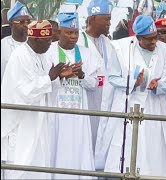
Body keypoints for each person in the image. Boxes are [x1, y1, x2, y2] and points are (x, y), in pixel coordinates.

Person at [102, 15, 166, 177]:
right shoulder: (122, 49)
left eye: (155, 37)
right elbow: (112, 77)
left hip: (155, 107)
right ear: (138, 38)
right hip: (129, 105)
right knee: (127, 150)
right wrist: (133, 83)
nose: (154, 42)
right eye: (149, 39)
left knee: (153, 151)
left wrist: (158, 86)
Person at [1, 20, 66, 179]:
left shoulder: (41, 56)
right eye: (47, 41)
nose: (50, 44)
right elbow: (23, 91)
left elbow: (48, 88)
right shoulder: (19, 56)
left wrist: (59, 77)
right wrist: (49, 78)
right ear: (35, 39)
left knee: (39, 166)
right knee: (21, 168)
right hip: (22, 124)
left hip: (39, 123)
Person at [46, 12, 101, 179]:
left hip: (79, 115)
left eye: (75, 32)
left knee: (80, 150)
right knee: (57, 149)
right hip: (57, 114)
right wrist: (61, 75)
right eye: (68, 32)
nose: (73, 36)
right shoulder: (49, 52)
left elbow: (95, 85)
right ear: (59, 32)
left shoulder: (87, 53)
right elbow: (44, 84)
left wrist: (82, 75)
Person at [77, 0, 117, 167]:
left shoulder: (108, 43)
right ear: (93, 19)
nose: (109, 23)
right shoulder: (78, 40)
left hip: (105, 98)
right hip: (86, 98)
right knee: (86, 139)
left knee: (101, 139)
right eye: (106, 19)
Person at [1, 1, 31, 82]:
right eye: (21, 22)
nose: (26, 25)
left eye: (28, 22)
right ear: (11, 24)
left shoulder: (34, 44)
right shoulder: (3, 45)